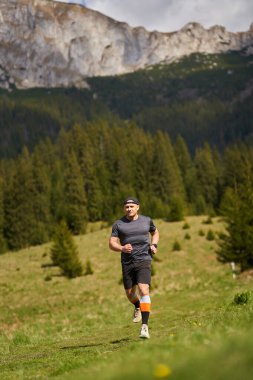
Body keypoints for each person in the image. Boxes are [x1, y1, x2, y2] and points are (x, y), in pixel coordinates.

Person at [109, 196, 159, 339]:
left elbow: (155, 232)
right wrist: (122, 247)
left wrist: (154, 245)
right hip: (127, 263)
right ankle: (137, 305)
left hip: (144, 259)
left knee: (144, 289)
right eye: (126, 207)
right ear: (124, 209)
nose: (129, 209)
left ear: (138, 207)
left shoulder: (147, 220)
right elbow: (111, 243)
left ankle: (144, 327)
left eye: (132, 206)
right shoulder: (118, 224)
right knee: (130, 294)